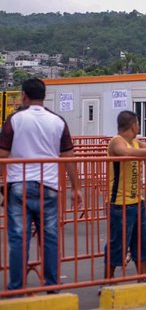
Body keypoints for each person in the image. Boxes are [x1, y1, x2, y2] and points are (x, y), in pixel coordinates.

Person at [0, 78, 82, 293]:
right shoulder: (57, 121)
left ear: (24, 96)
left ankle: (17, 286)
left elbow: (2, 154)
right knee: (50, 237)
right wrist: (76, 187)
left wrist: (3, 180)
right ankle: (52, 285)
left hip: (18, 185)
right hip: (49, 186)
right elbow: (68, 156)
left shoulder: (14, 120)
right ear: (43, 96)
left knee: (19, 238)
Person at [105, 111, 146, 280]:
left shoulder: (136, 142)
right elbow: (125, 153)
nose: (139, 127)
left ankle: (143, 277)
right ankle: (107, 281)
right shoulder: (117, 141)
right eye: (138, 124)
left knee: (142, 243)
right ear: (133, 125)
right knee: (117, 245)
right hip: (119, 203)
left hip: (137, 201)